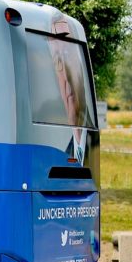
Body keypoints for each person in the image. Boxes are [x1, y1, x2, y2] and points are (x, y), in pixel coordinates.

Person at [48, 15, 89, 162]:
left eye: (67, 54)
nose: (65, 73)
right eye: (58, 61)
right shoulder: (55, 142)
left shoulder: (89, 131)